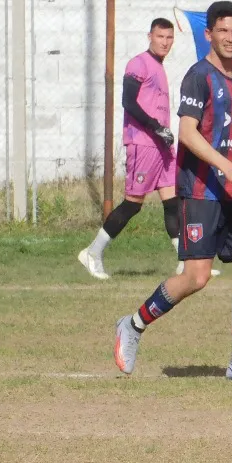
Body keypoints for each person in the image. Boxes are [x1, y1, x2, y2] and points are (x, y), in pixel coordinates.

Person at [113, 1, 232, 382]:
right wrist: (228, 168)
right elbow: (187, 134)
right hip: (203, 191)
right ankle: (133, 324)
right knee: (196, 278)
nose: (230, 38)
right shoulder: (198, 76)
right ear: (209, 34)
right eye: (222, 30)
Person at [79, 18, 187, 281]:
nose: (165, 42)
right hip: (143, 142)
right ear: (149, 36)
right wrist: (154, 126)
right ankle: (93, 253)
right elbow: (128, 101)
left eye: (169, 37)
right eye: (160, 36)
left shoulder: (159, 67)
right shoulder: (139, 63)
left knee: (173, 202)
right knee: (133, 204)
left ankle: (186, 264)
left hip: (161, 145)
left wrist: (164, 131)